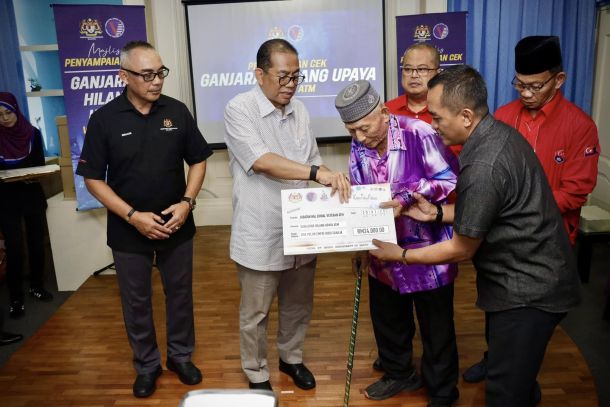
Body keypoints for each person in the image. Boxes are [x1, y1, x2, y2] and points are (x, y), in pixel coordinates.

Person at [370, 65, 581, 407]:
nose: (433, 126)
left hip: (529, 290)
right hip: (531, 278)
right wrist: (436, 212)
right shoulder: (496, 134)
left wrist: (402, 256)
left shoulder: (484, 164)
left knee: (504, 393)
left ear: (466, 116)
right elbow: (491, 210)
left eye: (437, 118)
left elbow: (460, 248)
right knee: (518, 379)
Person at [75, 41, 213, 398]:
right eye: (147, 74)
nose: (156, 81)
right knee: (136, 301)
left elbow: (199, 159)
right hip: (128, 228)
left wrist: (186, 202)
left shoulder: (177, 112)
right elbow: (92, 179)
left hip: (175, 224)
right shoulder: (105, 119)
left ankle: (181, 357)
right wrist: (133, 217)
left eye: (160, 73)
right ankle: (147, 365)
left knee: (179, 295)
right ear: (124, 76)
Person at [462, 35, 600, 385]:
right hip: (499, 245)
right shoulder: (503, 118)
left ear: (560, 79)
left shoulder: (579, 126)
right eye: (519, 84)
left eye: (535, 86)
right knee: (497, 311)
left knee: (527, 327)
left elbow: (576, 191)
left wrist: (516, 204)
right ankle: (495, 359)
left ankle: (519, 377)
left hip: (546, 248)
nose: (525, 93)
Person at [223, 38, 350, 392]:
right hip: (261, 228)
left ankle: (291, 358)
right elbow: (261, 161)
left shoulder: (301, 111)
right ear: (260, 74)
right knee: (256, 312)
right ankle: (257, 372)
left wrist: (333, 180)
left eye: (296, 77)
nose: (290, 85)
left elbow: (312, 159)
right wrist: (316, 173)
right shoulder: (239, 108)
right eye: (283, 77)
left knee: (298, 305)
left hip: (302, 225)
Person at [334, 80, 460, 406]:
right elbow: (363, 198)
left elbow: (448, 179)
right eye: (351, 131)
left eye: (363, 128)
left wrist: (405, 196)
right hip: (383, 253)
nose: (359, 138)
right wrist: (361, 246)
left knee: (437, 328)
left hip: (427, 252)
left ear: (385, 113)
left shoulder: (419, 133)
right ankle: (398, 374)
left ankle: (442, 390)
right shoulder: (360, 143)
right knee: (389, 320)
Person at [0, 92, 54, 320]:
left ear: (16, 110)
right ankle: (15, 297)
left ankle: (36, 285)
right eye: (0, 115)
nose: (4, 118)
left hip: (31, 196)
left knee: (36, 243)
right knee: (14, 247)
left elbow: (39, 165)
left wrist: (32, 176)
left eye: (8, 112)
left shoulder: (33, 134)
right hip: (5, 199)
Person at [385, 43, 461, 156]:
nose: (414, 75)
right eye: (408, 69)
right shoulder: (387, 111)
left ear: (438, 74)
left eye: (422, 69)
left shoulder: (453, 110)